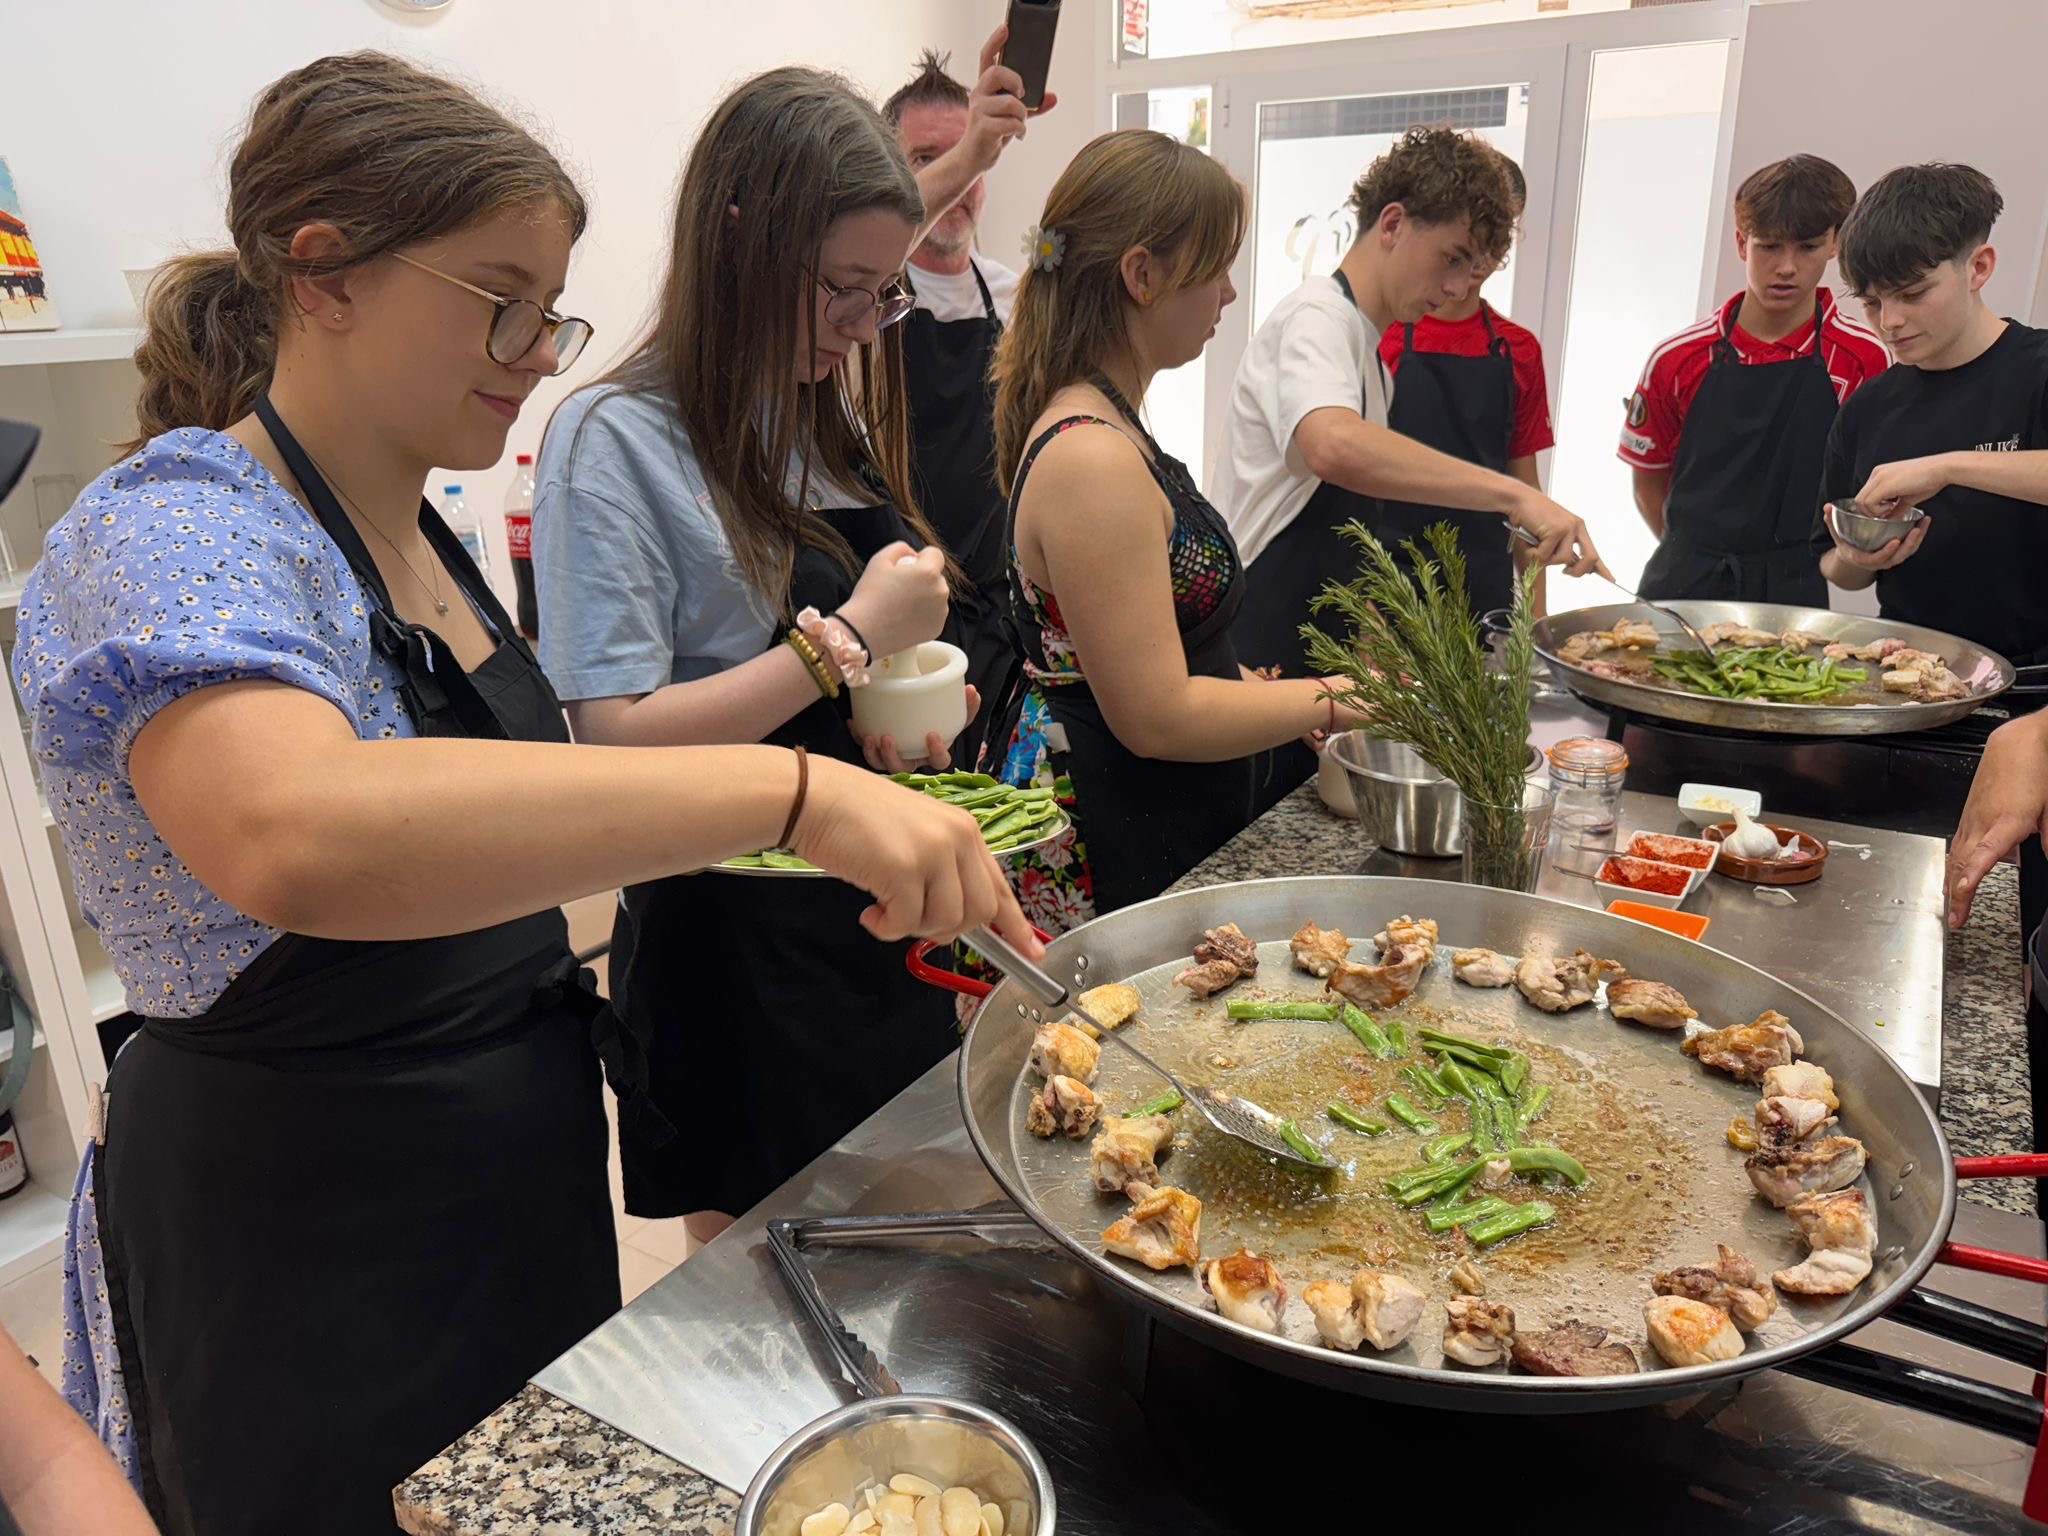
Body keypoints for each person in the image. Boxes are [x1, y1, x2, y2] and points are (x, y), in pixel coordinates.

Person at [15, 53, 1033, 1536]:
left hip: (501, 1186)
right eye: (501, 299)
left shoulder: (421, 535)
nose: (537, 351)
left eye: (544, 310)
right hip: (305, 1234)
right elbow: (294, 833)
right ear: (323, 272)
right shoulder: (168, 527)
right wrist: (793, 792)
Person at [535, 35, 1049, 1239]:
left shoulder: (815, 415)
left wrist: (904, 713)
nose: (866, 326)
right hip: (737, 963)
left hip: (867, 917)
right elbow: (611, 746)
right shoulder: (613, 441)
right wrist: (847, 643)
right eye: (844, 289)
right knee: (773, 1304)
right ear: (736, 238)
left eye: (886, 292)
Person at [988, 129, 1373, 927]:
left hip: (1146, 808)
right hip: (1111, 825)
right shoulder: (1089, 457)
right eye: (1216, 267)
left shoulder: (1112, 422)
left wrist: (1250, 694)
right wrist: (1341, 698)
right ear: (1143, 274)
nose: (1228, 296)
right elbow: (1156, 714)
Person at [1211, 127, 1601, 812]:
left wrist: (1368, 641)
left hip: (1314, 661)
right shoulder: (1316, 319)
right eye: (1451, 258)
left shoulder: (1366, 348)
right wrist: (1514, 496)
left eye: (1475, 272)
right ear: (1392, 222)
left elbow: (1343, 521)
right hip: (1258, 649)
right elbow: (1332, 444)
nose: (1455, 287)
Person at [1815, 159, 2048, 978]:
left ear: (1978, 267)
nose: (1890, 321)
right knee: (1910, 941)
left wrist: (1951, 464)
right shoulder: (1871, 407)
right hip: (1911, 703)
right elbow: (1839, 571)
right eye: (1872, 301)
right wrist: (1857, 554)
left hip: (2035, 714)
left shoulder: (2038, 371)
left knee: (2017, 953)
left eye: (1912, 294)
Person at [1622, 154, 1886, 604]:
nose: (1786, 267)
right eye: (1769, 246)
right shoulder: (1678, 358)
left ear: (1835, 243)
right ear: (1742, 243)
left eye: (1806, 247)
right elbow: (1648, 479)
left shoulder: (1863, 359)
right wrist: (1693, 551)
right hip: (1681, 583)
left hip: (1793, 588)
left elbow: (1865, 485)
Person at [883, 49, 1028, 754]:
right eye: (927, 157)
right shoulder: (863, 302)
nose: (962, 178)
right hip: (896, 614)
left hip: (1003, 616)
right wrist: (973, 150)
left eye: (972, 160)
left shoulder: (1015, 299)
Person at [1374, 152, 1554, 619]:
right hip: (1387, 596)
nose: (1482, 255)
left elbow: (1524, 489)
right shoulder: (1381, 337)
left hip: (1483, 599)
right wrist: (1363, 618)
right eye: (1470, 238)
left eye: (1498, 238)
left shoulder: (1519, 351)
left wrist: (1537, 633)